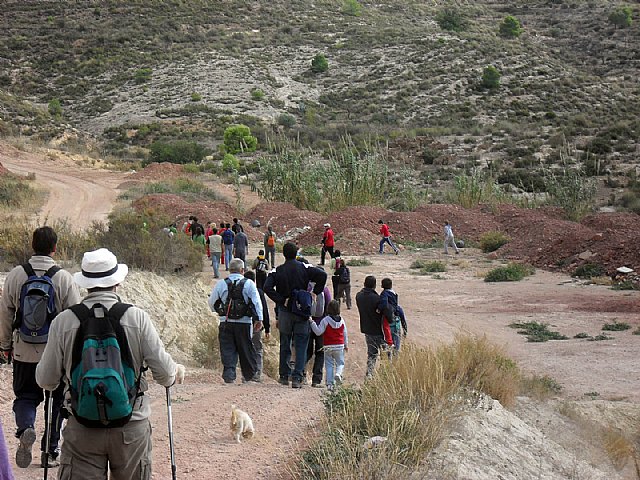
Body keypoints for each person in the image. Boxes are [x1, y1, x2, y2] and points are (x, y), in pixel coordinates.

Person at [35, 248, 185, 479]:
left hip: (82, 428)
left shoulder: (63, 322)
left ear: (85, 284)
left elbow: (46, 380)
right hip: (131, 428)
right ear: (118, 282)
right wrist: (174, 372)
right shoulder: (137, 317)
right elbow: (165, 375)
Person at [0, 226, 81, 469]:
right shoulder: (63, 278)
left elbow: (5, 313)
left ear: (32, 245)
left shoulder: (15, 275)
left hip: (24, 350)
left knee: (25, 396)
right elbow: (75, 318)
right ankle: (50, 451)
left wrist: (4, 346)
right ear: (55, 248)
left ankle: (26, 428)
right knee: (56, 400)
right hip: (54, 354)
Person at [263, 242, 327, 388]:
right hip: (301, 310)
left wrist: (280, 300)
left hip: (285, 311)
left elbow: (267, 287)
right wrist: (314, 293)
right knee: (301, 344)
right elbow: (322, 275)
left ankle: (284, 376)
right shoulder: (304, 267)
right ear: (296, 252)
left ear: (284, 254)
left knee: (285, 342)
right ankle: (297, 378)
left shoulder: (277, 270)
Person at [208, 259, 262, 384]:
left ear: (230, 270)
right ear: (242, 270)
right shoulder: (249, 284)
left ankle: (229, 375)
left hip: (226, 321)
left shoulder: (221, 283)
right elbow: (256, 302)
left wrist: (219, 312)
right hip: (244, 322)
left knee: (227, 348)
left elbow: (211, 302)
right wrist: (259, 319)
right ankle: (248, 376)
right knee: (245, 348)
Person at [356, 275, 392, 378]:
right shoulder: (377, 298)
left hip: (367, 330)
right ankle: (384, 375)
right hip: (380, 331)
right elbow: (387, 312)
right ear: (375, 285)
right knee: (385, 354)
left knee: (372, 354)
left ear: (364, 284)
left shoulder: (359, 296)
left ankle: (369, 375)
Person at [309, 300, 348, 390]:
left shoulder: (326, 320)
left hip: (328, 346)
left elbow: (318, 332)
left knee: (329, 365)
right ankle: (338, 374)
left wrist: (312, 322)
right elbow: (345, 333)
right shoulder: (342, 321)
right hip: (339, 345)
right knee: (340, 363)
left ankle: (329, 384)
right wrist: (346, 344)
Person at [304, 278, 332, 388]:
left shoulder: (307, 288)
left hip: (308, 323)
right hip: (322, 325)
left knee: (307, 351)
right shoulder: (325, 290)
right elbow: (329, 306)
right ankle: (317, 379)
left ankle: (300, 374)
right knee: (320, 352)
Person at [243, 270, 270, 382]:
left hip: (244, 323)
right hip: (257, 324)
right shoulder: (259, 292)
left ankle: (246, 374)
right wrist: (267, 328)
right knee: (257, 348)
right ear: (254, 280)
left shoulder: (241, 290)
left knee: (245, 348)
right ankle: (257, 373)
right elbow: (264, 310)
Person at [379, 278, 407, 353]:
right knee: (396, 347)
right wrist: (405, 330)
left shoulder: (384, 294)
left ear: (382, 285)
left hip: (387, 323)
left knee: (387, 347)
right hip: (396, 324)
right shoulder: (397, 308)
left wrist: (379, 309)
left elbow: (383, 304)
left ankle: (387, 362)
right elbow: (403, 320)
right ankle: (395, 362)